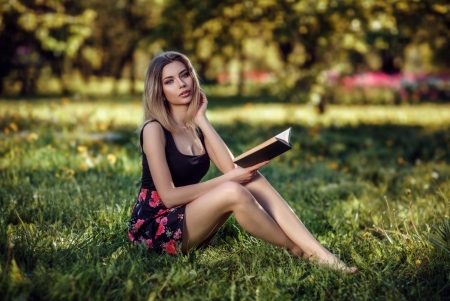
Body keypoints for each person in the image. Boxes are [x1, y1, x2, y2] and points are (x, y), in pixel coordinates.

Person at [128, 51, 357, 273]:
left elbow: (231, 167)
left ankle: (317, 250)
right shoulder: (154, 129)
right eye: (170, 81)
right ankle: (299, 249)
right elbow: (169, 197)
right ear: (159, 91)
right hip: (154, 229)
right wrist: (228, 179)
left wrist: (202, 119)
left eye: (184, 74)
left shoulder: (195, 129)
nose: (181, 84)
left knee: (249, 175)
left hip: (187, 220)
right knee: (232, 189)